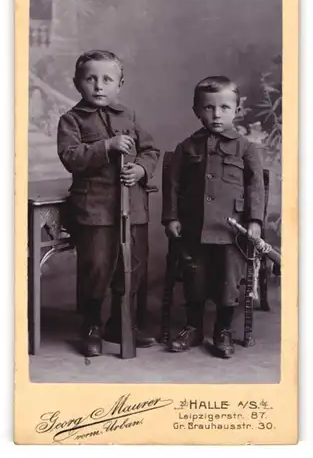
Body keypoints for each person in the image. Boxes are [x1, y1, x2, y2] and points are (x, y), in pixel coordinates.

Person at [57, 50, 160, 357]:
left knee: (133, 266)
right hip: (96, 211)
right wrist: (106, 146)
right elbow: (71, 157)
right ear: (77, 83)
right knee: (97, 268)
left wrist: (141, 169)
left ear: (119, 84)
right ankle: (91, 324)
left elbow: (152, 150)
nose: (99, 86)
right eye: (91, 79)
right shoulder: (71, 120)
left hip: (133, 208)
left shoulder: (129, 116)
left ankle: (120, 323)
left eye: (107, 79)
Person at [162, 76, 264, 358]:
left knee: (228, 281)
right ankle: (193, 327)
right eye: (208, 108)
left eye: (224, 108)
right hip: (194, 229)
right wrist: (171, 218)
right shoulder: (187, 147)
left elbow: (256, 187)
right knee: (195, 276)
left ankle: (223, 329)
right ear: (196, 110)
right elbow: (172, 186)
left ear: (237, 110)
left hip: (232, 230)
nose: (216, 115)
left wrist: (254, 221)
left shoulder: (246, 148)